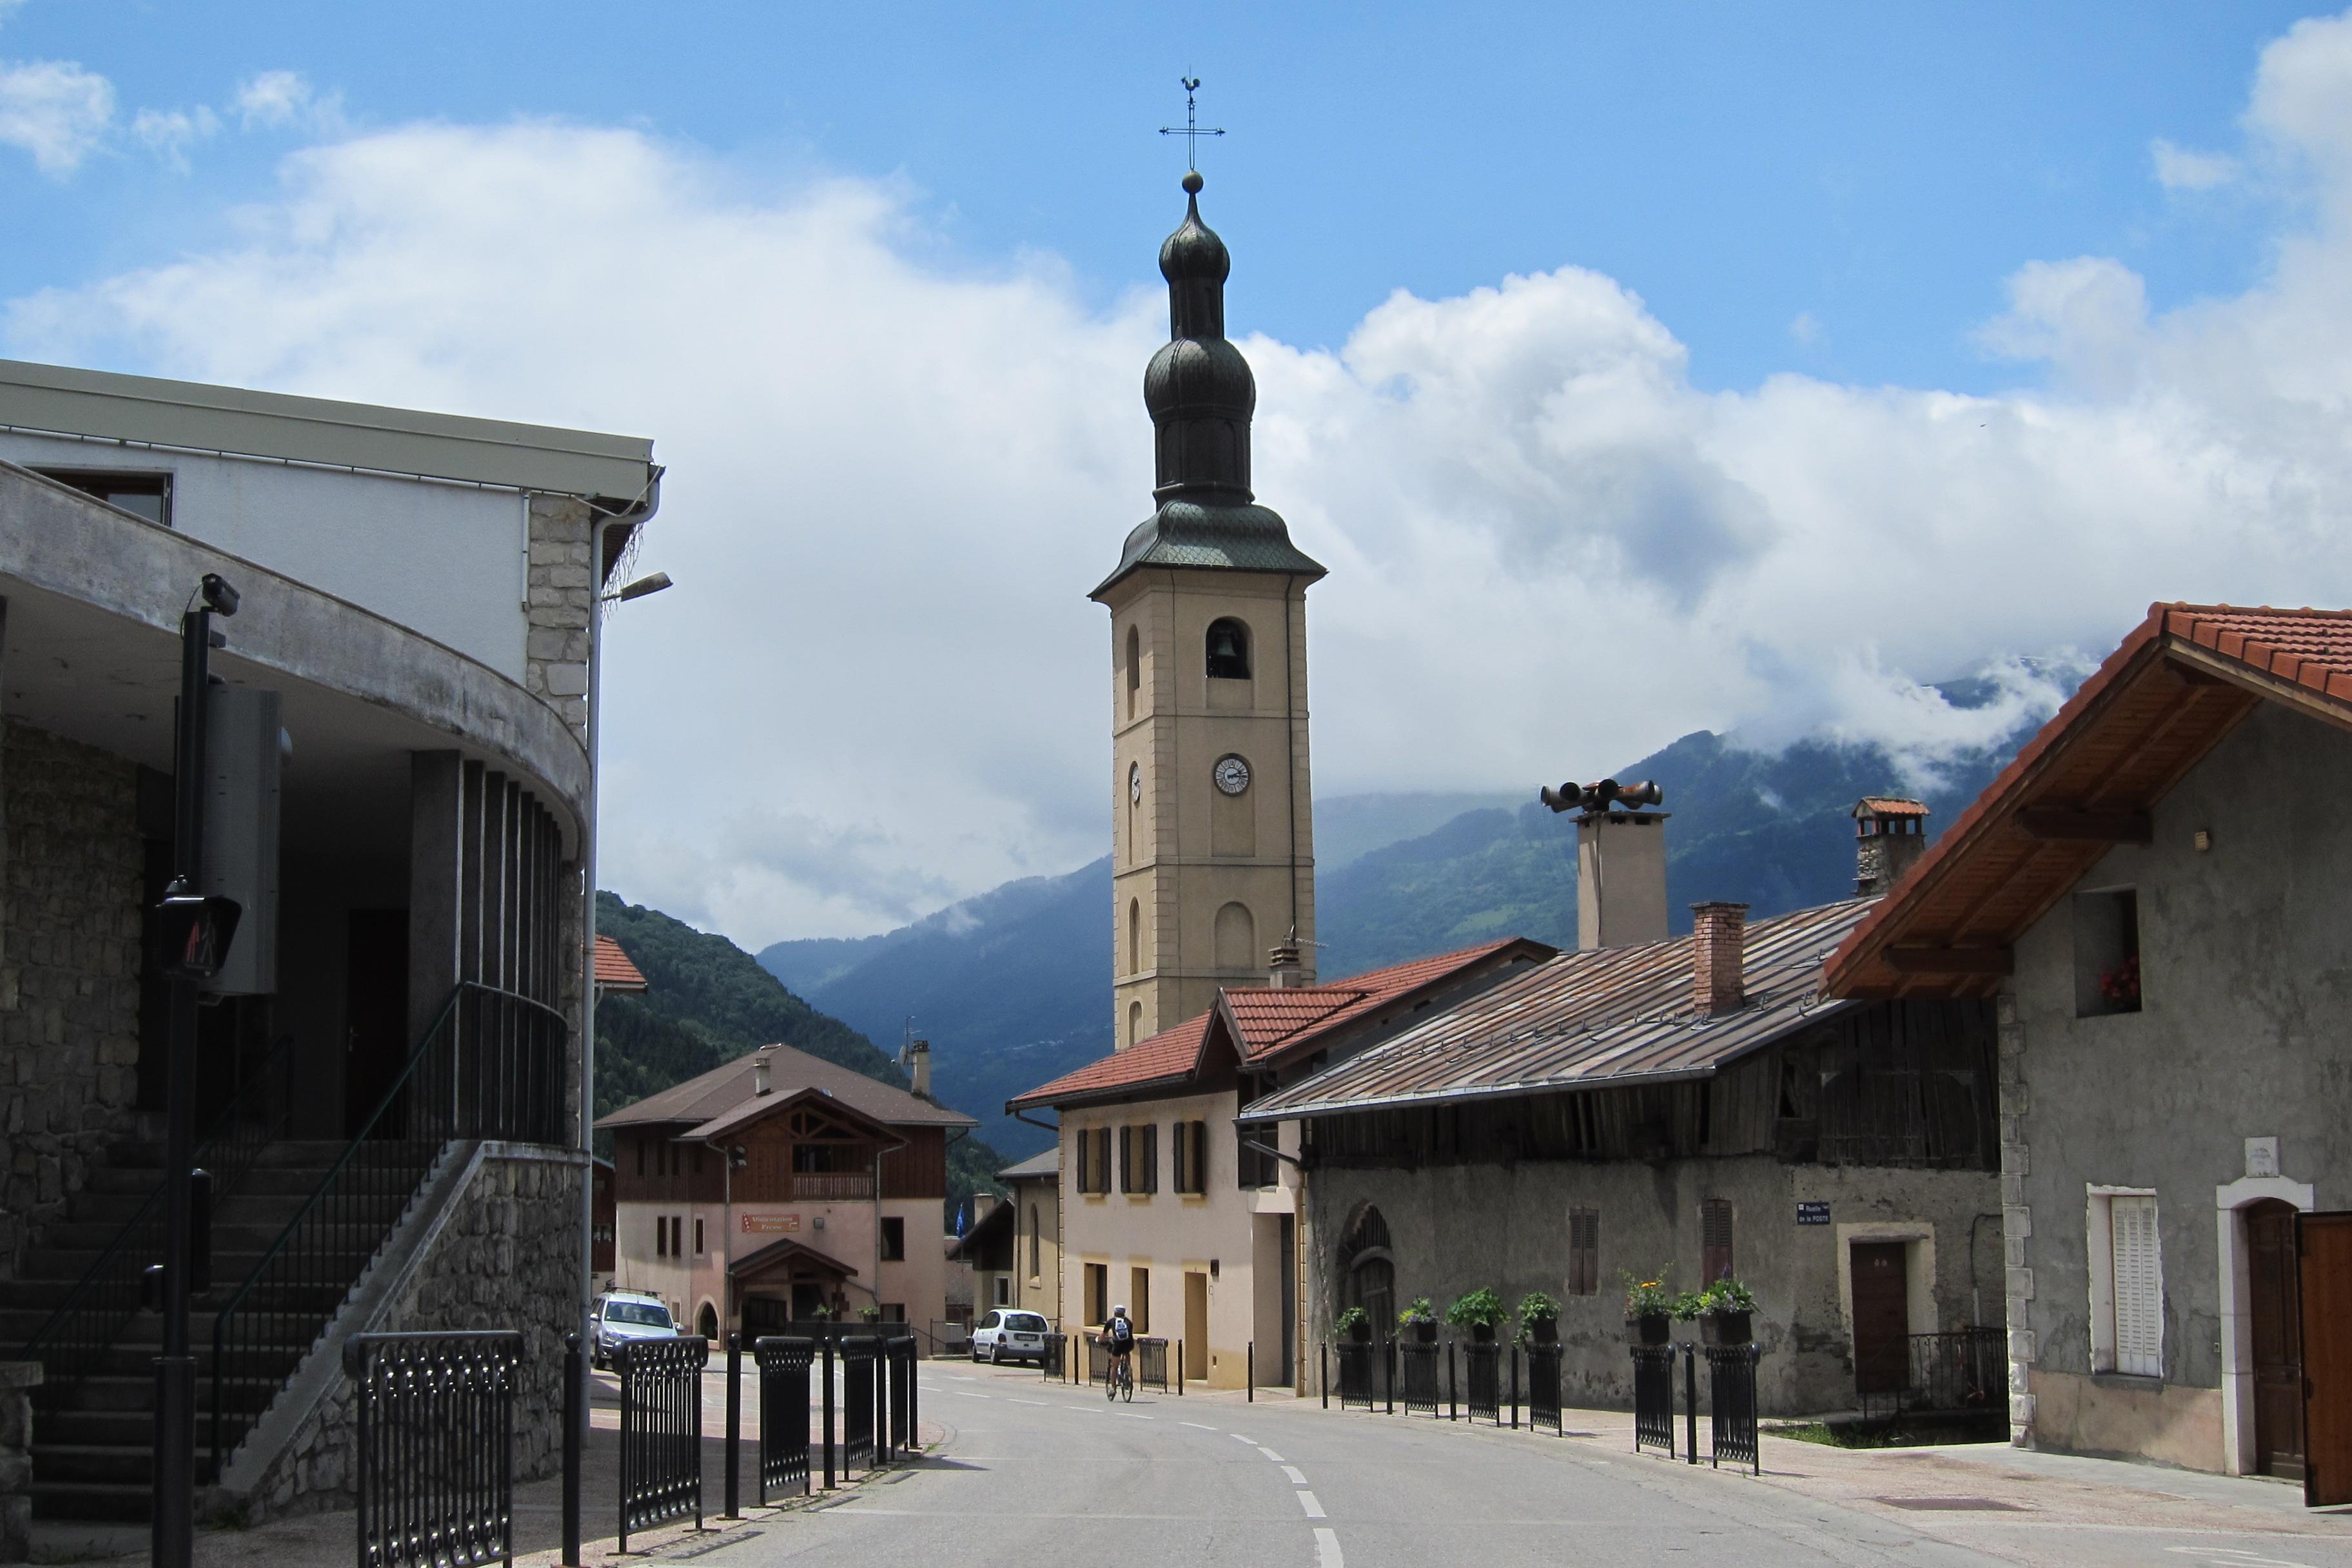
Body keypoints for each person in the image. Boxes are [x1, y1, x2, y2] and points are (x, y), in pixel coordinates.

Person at [1101, 1304, 1135, 1396]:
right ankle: (1128, 1370)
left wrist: (1101, 1340)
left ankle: (1113, 1388)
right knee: (1127, 1352)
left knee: (1114, 1366)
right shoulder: (1129, 1322)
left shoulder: (1111, 1322)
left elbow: (1104, 1334)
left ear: (1115, 1312)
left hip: (1118, 1345)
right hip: (1129, 1344)